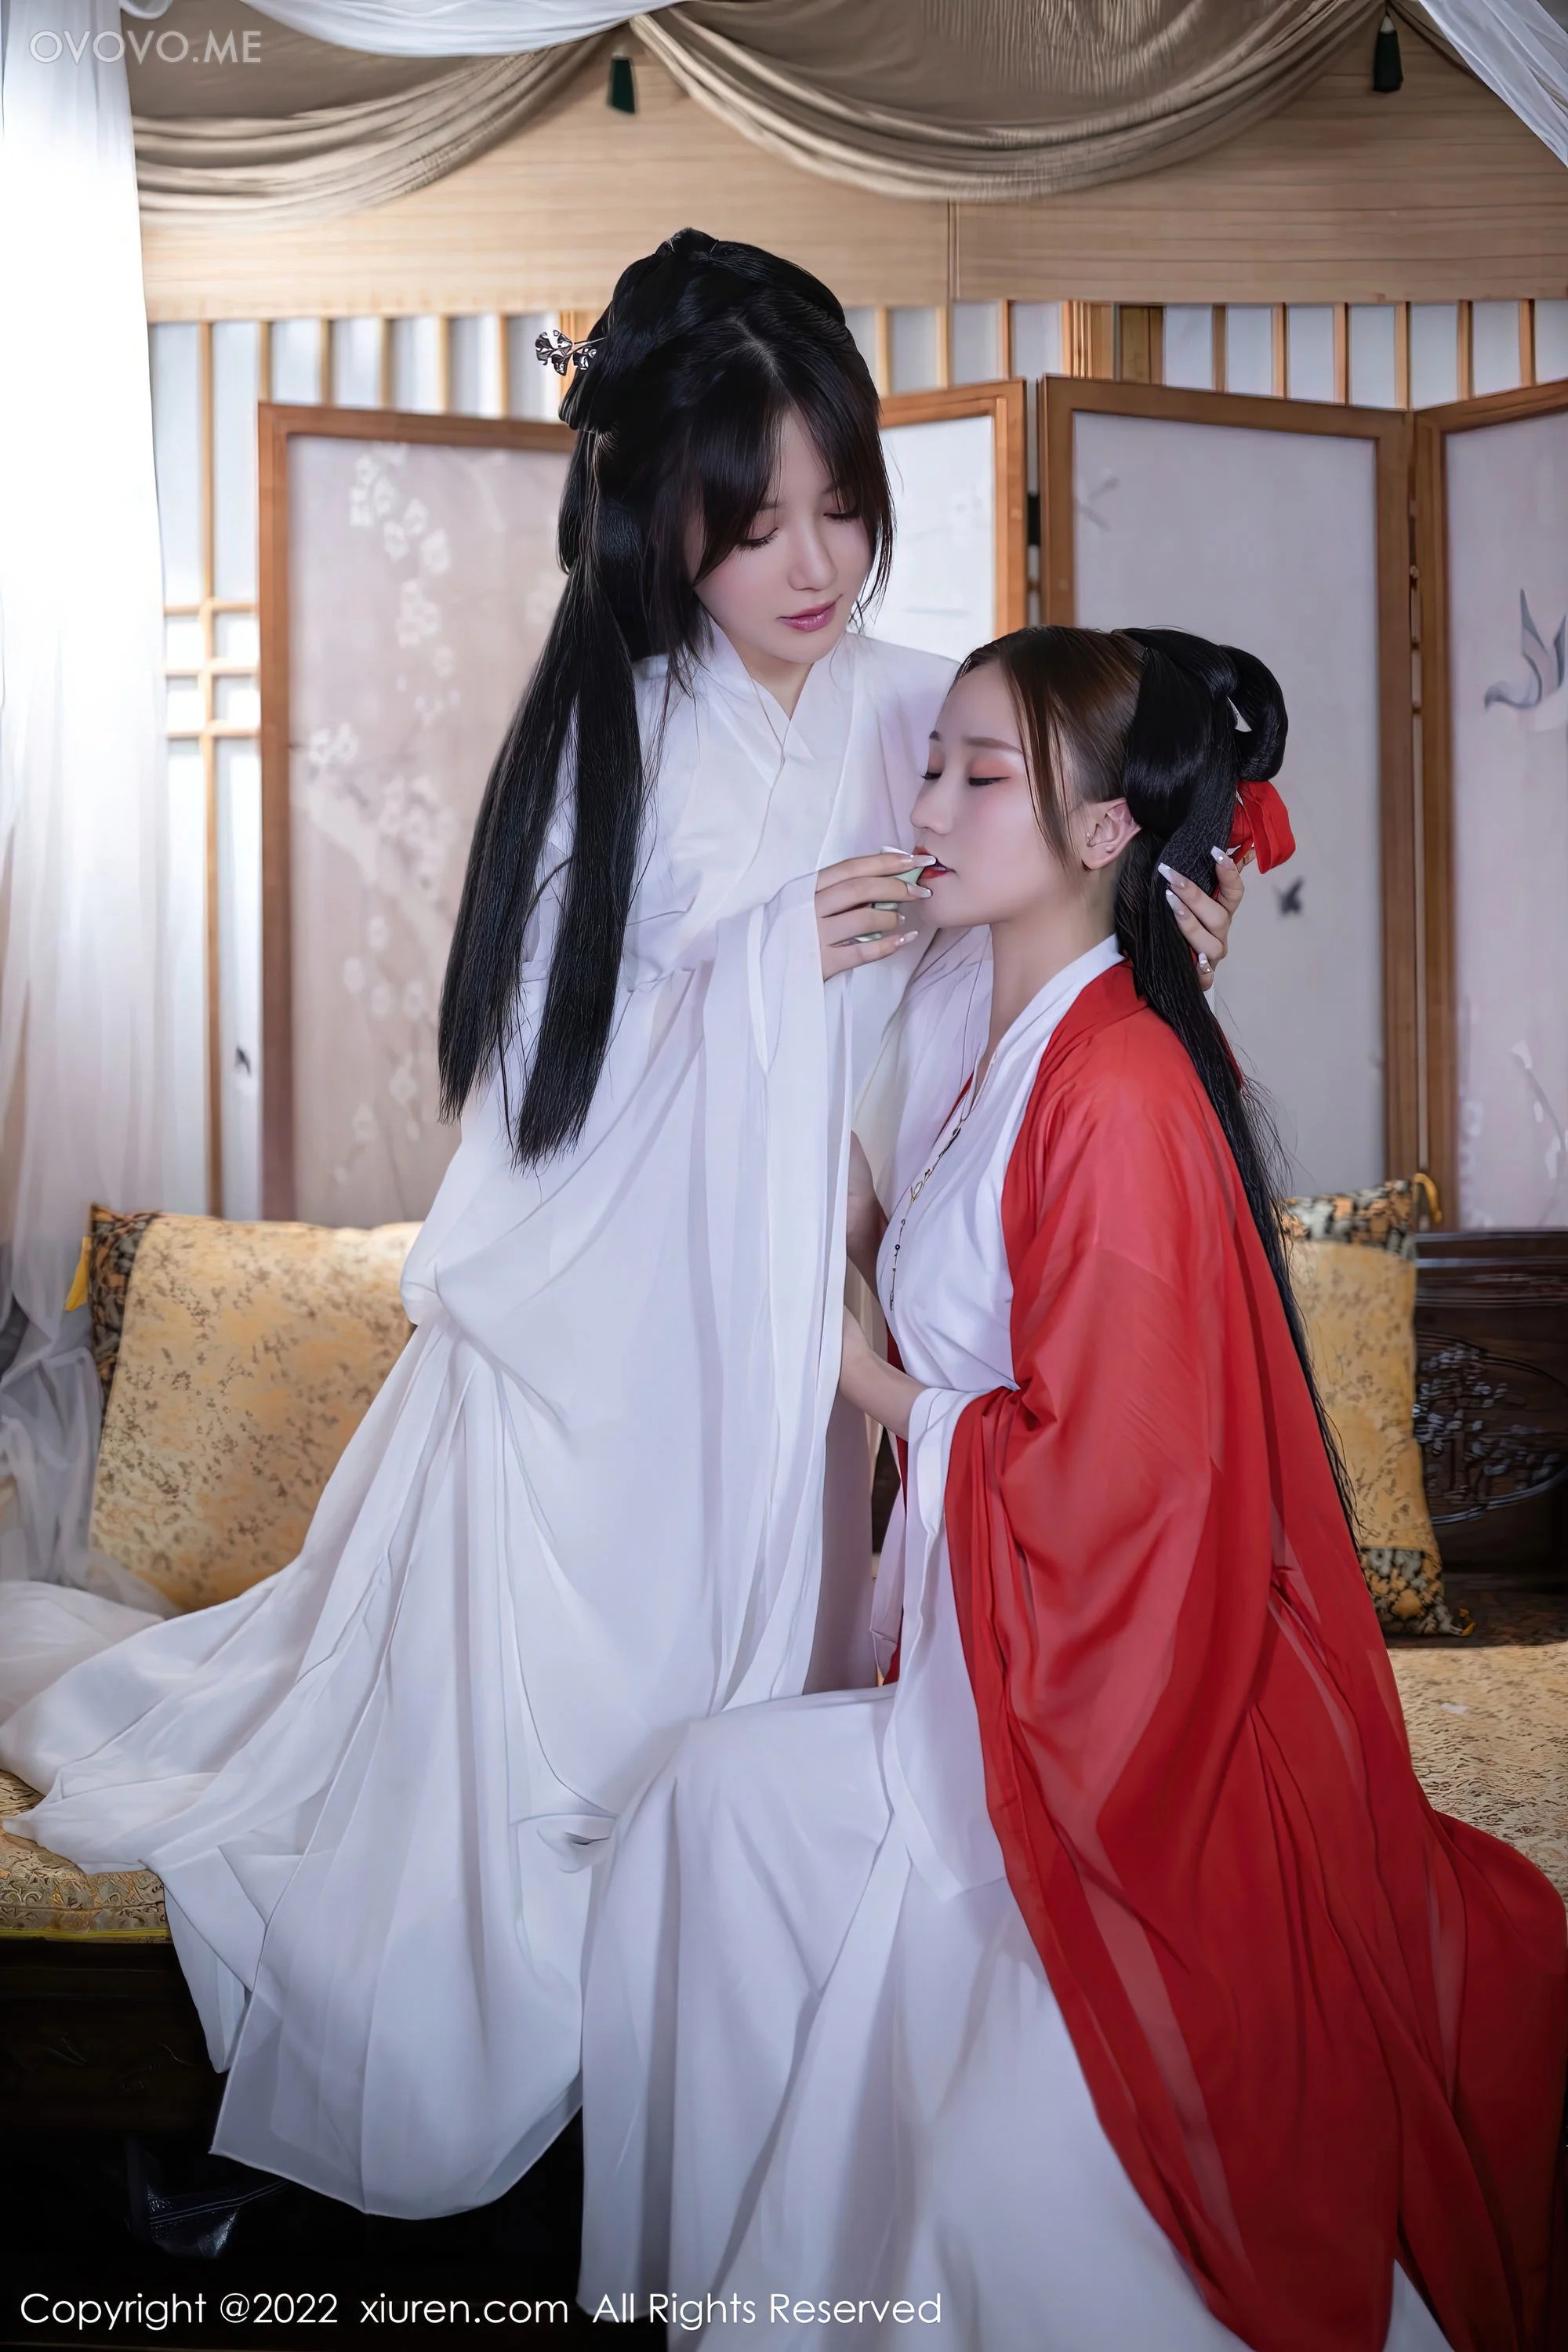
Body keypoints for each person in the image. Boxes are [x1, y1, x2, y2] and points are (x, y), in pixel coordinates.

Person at [0, 237, 1242, 2219]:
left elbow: (1009, 961)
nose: (817, 564)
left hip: (791, 1342)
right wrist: (759, 966)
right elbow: (533, 1106)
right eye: (759, 527)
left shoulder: (920, 713)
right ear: (667, 524)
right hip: (603, 1354)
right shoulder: (613, 736)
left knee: (751, 1760)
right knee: (505, 1808)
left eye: (843, 507)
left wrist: (1155, 931)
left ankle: (732, 2120)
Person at [577, 626, 1567, 2350]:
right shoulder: (1006, 1037)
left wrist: (862, 1380)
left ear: (1108, 832)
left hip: (1119, 1700)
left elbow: (1117, 1485)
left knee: (992, 2159)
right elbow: (929, 1267)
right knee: (702, 1811)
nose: (926, 807)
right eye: (932, 765)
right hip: (1008, 1663)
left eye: (981, 778)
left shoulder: (1118, 1084)